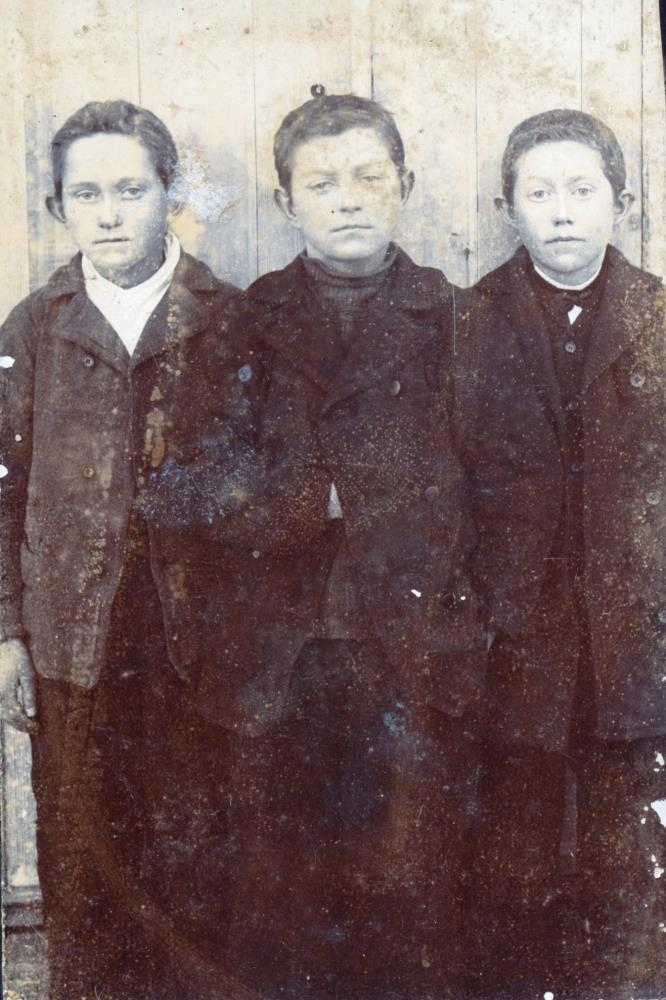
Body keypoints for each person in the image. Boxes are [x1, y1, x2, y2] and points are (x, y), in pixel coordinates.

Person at [216, 87, 490, 1000]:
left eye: (370, 178)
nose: (348, 201)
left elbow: (509, 489)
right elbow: (192, 484)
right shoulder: (247, 319)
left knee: (410, 888)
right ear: (285, 201)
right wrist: (310, 501)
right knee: (284, 895)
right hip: (281, 656)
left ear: (405, 186)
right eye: (322, 183)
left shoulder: (455, 318)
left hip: (416, 652)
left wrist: (471, 618)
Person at [0, 99, 258, 1000]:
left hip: (201, 656)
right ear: (58, 207)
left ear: (169, 195)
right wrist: (7, 634)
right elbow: (2, 494)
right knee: (82, 874)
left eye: (131, 190)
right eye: (86, 195)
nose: (109, 214)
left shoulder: (230, 318)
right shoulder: (35, 329)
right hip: (74, 647)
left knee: (199, 873)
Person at [469, 108, 666, 999]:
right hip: (518, 646)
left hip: (637, 648)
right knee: (515, 857)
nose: (561, 211)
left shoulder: (656, 314)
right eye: (539, 193)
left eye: (582, 191)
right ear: (507, 209)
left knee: (632, 864)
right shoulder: (470, 322)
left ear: (620, 202)